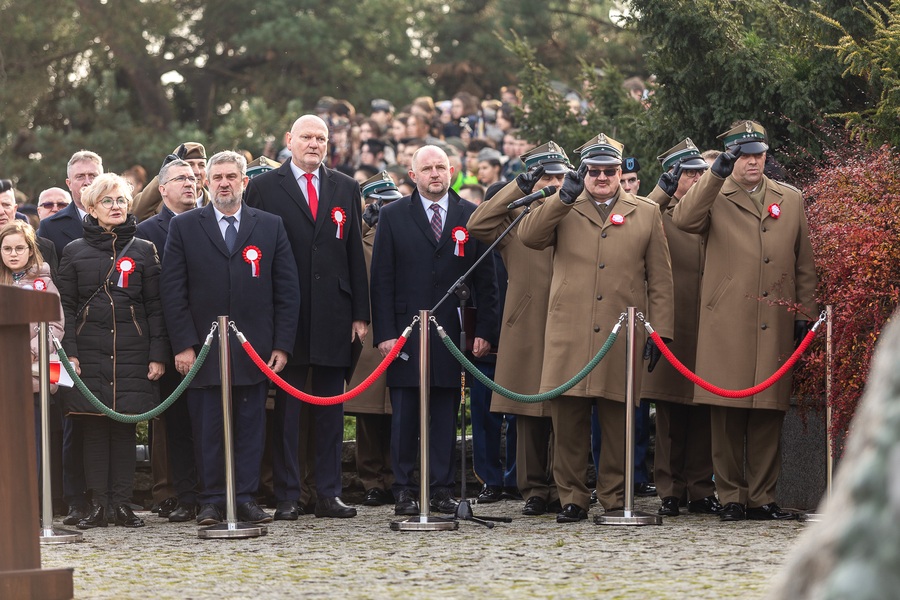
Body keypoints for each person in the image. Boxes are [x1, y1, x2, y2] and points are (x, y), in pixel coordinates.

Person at [518, 133, 674, 523]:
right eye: (594, 170)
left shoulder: (646, 212)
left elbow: (661, 278)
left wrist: (661, 331)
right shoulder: (563, 206)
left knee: (618, 420)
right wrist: (561, 198)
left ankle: (614, 497)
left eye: (610, 170)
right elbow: (528, 236)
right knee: (567, 420)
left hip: (622, 331)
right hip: (568, 330)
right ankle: (572, 497)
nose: (602, 177)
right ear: (582, 172)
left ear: (621, 173)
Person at [672, 120, 817, 522]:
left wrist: (804, 313)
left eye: (758, 155)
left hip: (774, 318)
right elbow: (683, 220)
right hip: (727, 320)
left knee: (769, 412)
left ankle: (763, 497)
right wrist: (714, 175)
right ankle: (732, 495)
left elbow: (804, 262)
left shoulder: (790, 198)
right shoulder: (715, 194)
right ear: (733, 157)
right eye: (744, 156)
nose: (753, 162)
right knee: (727, 412)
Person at [161, 151, 300, 526]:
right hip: (203, 350)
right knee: (207, 428)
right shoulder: (185, 226)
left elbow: (287, 290)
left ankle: (244, 498)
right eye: (217, 176)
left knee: (250, 426)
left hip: (254, 349)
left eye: (231, 176)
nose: (224, 183)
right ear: (207, 182)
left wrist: (281, 345)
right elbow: (173, 292)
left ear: (245, 181)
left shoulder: (270, 226)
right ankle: (210, 501)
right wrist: (184, 346)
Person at [245, 114, 369, 520]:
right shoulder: (263, 187)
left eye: (321, 138)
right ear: (289, 141)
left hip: (334, 314)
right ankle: (287, 494)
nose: (314, 144)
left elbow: (354, 252)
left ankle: (328, 493)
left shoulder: (346, 187)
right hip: (287, 315)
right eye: (306, 137)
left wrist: (359, 314)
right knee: (287, 412)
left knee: (331, 409)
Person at [370, 145, 499, 516]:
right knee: (406, 415)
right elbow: (381, 280)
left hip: (451, 336)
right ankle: (404, 489)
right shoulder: (393, 216)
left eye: (441, 167)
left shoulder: (470, 216)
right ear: (413, 175)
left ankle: (441, 488)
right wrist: (386, 334)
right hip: (406, 334)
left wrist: (484, 330)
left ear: (454, 170)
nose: (434, 174)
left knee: (444, 414)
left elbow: (486, 282)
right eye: (426, 169)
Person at [56, 173, 168, 529]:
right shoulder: (74, 251)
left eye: (121, 200)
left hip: (132, 352)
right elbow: (66, 308)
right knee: (92, 429)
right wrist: (69, 353)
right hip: (87, 352)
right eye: (108, 201)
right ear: (92, 207)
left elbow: (155, 307)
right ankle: (97, 505)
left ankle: (121, 504)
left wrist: (157, 354)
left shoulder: (144, 250)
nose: (116, 206)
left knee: (122, 429)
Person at [467, 141, 571, 516]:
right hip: (526, 324)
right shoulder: (516, 219)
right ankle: (534, 490)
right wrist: (520, 187)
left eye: (560, 175)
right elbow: (477, 224)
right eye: (547, 176)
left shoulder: (576, 210)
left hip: (568, 321)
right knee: (527, 414)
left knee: (566, 410)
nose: (555, 183)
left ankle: (565, 488)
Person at [644, 138, 720, 517]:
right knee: (671, 414)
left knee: (704, 410)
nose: (696, 179)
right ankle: (670, 488)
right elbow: (639, 211)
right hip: (674, 323)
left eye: (700, 173)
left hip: (709, 323)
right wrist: (663, 187)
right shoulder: (659, 210)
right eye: (688, 173)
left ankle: (701, 487)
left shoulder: (711, 208)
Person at [37, 150, 103, 527]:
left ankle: (104, 496)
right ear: (69, 182)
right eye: (80, 176)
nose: (87, 180)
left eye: (93, 174)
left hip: (107, 337)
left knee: (100, 419)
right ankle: (75, 498)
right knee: (72, 421)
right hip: (67, 336)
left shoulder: (119, 218)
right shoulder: (52, 227)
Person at [135, 157, 201, 523]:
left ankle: (214, 493)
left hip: (213, 338)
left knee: (211, 422)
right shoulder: (147, 231)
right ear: (162, 190)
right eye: (180, 179)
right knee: (177, 424)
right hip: (171, 340)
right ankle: (186, 496)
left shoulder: (212, 222)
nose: (190, 183)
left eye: (193, 178)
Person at [344, 172, 403, 506]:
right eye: (377, 203)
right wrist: (364, 225)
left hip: (396, 330)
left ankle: (396, 477)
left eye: (389, 202)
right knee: (368, 415)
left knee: (398, 412)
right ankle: (371, 481)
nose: (383, 209)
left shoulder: (399, 231)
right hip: (366, 335)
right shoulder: (360, 235)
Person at [0, 220, 64, 478]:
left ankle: (31, 509)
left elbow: (55, 326)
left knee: (32, 445)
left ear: (30, 250)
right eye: (7, 249)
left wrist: (31, 350)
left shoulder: (44, 282)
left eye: (19, 248)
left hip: (32, 378)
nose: (13, 254)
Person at [132, 142, 209, 222]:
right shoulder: (159, 205)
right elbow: (136, 215)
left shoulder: (215, 204)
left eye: (202, 165)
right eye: (190, 165)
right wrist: (163, 178)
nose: (197, 172)